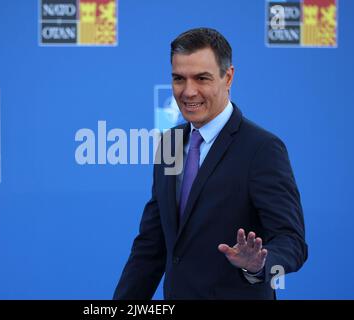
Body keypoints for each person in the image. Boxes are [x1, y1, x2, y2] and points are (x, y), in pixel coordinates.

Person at [113, 27, 308, 300]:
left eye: (201, 78)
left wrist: (260, 264)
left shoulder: (262, 149)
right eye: (179, 78)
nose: (188, 91)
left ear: (228, 77)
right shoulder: (169, 143)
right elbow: (151, 245)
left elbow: (293, 242)